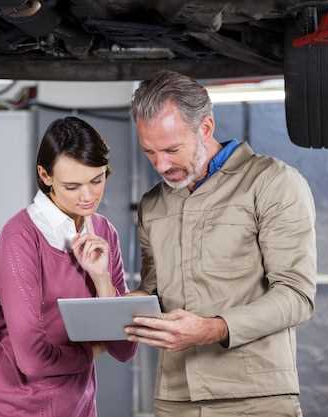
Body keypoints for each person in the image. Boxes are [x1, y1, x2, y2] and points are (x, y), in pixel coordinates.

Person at [125, 70, 316, 417]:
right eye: (149, 152)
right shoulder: (153, 204)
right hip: (175, 398)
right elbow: (154, 292)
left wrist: (212, 328)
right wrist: (124, 305)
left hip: (255, 398)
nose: (161, 165)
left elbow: (297, 296)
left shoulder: (272, 183)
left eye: (171, 149)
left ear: (206, 128)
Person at [0, 116, 137, 417]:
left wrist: (101, 278)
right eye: (72, 186)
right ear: (45, 175)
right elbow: (31, 359)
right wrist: (89, 351)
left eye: (97, 180)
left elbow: (124, 350)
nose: (88, 196)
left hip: (77, 406)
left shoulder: (103, 231)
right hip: (10, 408)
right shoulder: (21, 236)